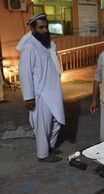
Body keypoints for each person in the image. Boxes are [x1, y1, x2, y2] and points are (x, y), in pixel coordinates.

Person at [16, 12, 65, 163]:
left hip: (53, 91)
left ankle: (49, 146)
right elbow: (24, 73)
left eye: (46, 27)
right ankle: (43, 155)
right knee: (42, 126)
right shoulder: (29, 46)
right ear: (32, 29)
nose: (44, 30)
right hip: (41, 94)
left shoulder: (46, 44)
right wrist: (29, 96)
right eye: (41, 28)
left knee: (57, 121)